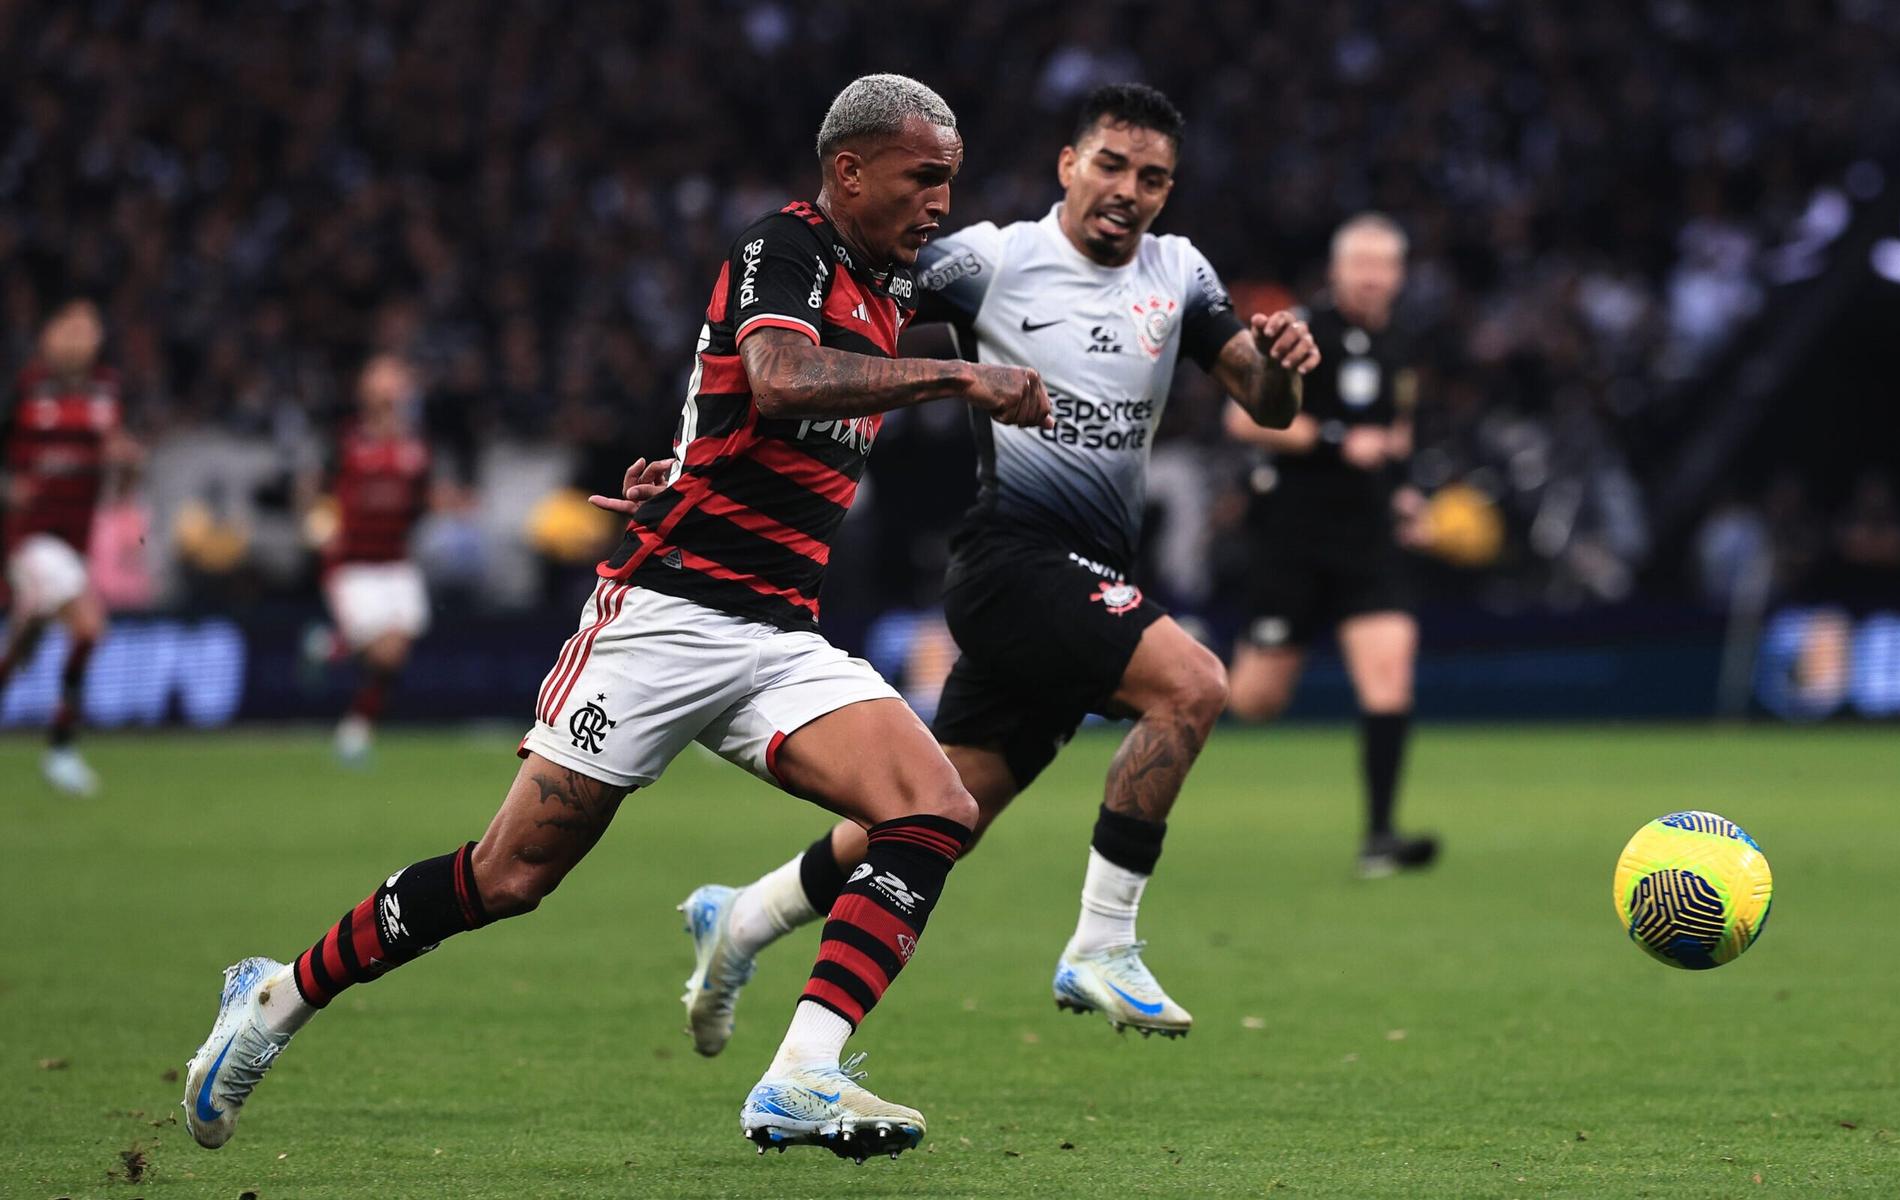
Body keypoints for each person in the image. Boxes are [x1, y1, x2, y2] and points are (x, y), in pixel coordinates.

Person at [181, 74, 1051, 1164]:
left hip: (776, 635)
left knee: (934, 805)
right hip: (665, 618)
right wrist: (955, 380)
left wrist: (684, 465)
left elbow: (727, 404)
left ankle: (800, 1076)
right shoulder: (783, 251)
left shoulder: (887, 284)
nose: (939, 202)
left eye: (950, 183)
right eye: (925, 178)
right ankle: (275, 999)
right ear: (848, 169)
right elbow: (776, 377)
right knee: (509, 877)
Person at [663, 84, 1317, 1054]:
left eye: (1153, 178)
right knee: (1194, 686)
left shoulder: (1178, 275)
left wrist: (1285, 364)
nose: (1129, 191)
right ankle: (1103, 943)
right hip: (1011, 558)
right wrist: (702, 451)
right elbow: (837, 316)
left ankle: (743, 916)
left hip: (1086, 570)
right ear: (1068, 164)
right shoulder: (992, 259)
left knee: (943, 813)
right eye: (1111, 166)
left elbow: (1263, 402)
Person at [1222, 213, 1438, 878]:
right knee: (1254, 701)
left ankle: (1380, 837)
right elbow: (1241, 417)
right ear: (1337, 271)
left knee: (1390, 674)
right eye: (1361, 264)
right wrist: (1340, 442)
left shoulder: (1401, 344)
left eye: (1385, 265)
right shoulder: (1299, 330)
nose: (1373, 277)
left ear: (1399, 276)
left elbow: (1392, 437)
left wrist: (1406, 495)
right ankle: (1160, 675)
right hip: (1292, 537)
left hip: (1367, 540)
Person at [0, 300, 136, 796]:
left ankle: (59, 746)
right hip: (28, 539)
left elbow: (121, 477)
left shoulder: (108, 393)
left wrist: (128, 463)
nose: (78, 339)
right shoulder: (21, 391)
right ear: (47, 335)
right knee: (88, 627)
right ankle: (61, 748)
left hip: (73, 543)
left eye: (87, 330)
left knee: (24, 644)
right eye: (69, 328)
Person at [311, 354, 443, 763]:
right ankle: (335, 649)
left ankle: (354, 721)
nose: (390, 385)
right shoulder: (346, 440)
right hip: (354, 564)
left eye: (397, 377)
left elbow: (421, 502)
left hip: (396, 562)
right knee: (385, 652)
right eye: (382, 376)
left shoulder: (415, 447)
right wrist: (317, 522)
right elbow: (316, 489)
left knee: (395, 655)